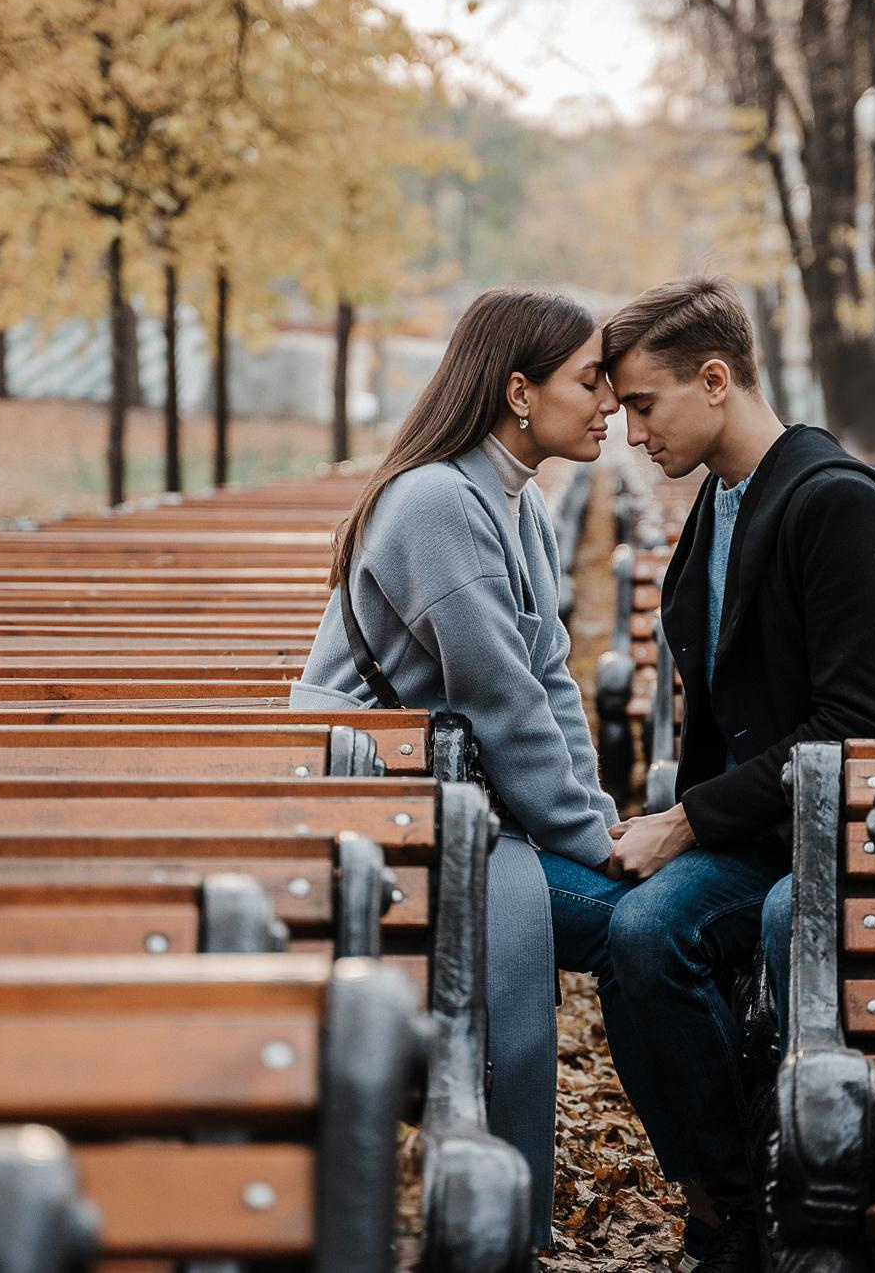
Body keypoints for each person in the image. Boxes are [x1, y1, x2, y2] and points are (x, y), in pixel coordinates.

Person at [595, 276, 875, 1270]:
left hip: (853, 832)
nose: (631, 432)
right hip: (766, 831)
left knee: (796, 920)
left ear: (715, 380)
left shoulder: (831, 502)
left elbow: (852, 724)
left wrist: (683, 821)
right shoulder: (719, 504)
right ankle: (728, 1200)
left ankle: (819, 1204)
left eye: (643, 404)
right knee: (640, 931)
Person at [288, 287, 624, 1248]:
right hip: (364, 809)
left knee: (654, 915)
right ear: (521, 392)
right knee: (646, 928)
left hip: (442, 802)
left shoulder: (512, 499)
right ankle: (507, 1209)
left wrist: (594, 820)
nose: (609, 401)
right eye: (590, 380)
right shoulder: (439, 498)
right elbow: (498, 701)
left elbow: (549, 680)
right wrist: (596, 849)